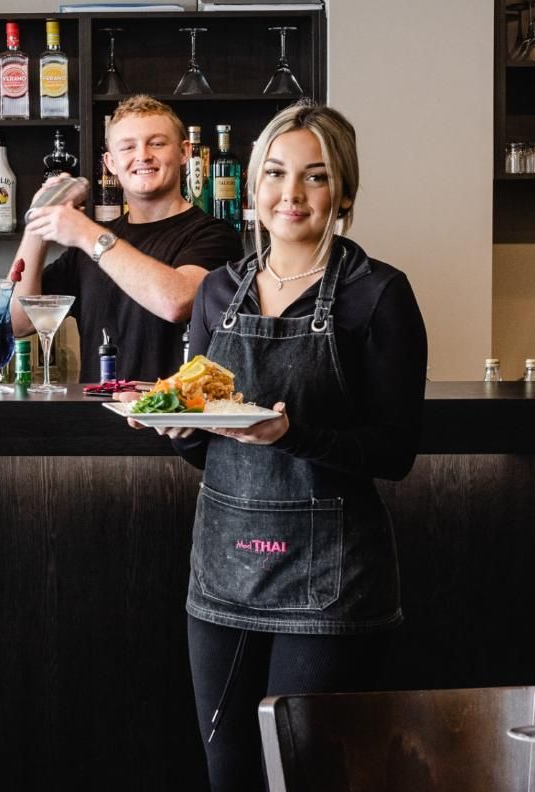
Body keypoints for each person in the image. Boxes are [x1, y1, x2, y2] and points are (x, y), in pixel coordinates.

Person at [134, 101, 427, 789]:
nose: (289, 194)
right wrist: (178, 429)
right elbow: (212, 445)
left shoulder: (377, 295)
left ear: (344, 192)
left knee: (306, 775)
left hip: (329, 582)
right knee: (228, 771)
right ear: (252, 185)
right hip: (223, 572)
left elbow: (395, 452)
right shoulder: (217, 291)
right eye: (274, 173)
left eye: (314, 177)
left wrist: (293, 435)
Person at [9, 95, 242, 383]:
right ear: (110, 162)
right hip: (98, 419)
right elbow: (19, 322)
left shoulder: (214, 235)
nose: (142, 155)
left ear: (184, 152)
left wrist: (85, 232)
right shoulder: (89, 247)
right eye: (128, 147)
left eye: (156, 143)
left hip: (174, 420)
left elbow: (177, 302)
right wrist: (37, 222)